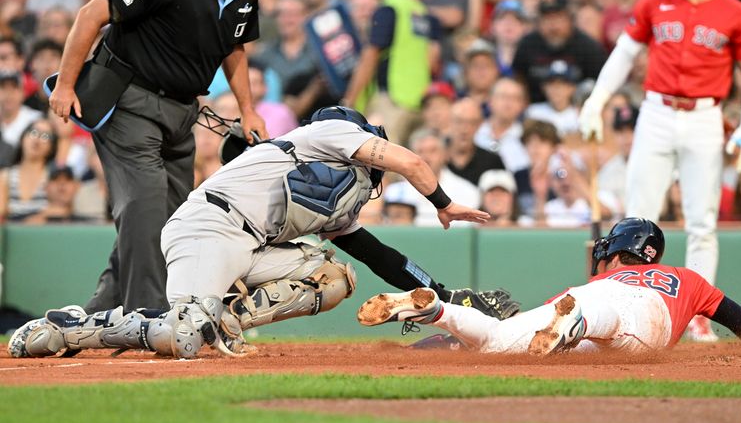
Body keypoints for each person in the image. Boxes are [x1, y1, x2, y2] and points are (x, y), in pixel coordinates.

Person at [8, 107, 520, 360]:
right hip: (209, 226)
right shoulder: (328, 133)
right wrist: (444, 204)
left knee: (333, 278)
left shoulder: (335, 196)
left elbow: (377, 253)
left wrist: (445, 296)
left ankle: (228, 323)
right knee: (184, 339)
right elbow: (410, 160)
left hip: (254, 246)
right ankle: (78, 327)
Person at [48, 0, 267, 314]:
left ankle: (101, 310)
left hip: (181, 111)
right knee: (145, 208)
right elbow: (91, 14)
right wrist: (63, 83)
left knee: (173, 217)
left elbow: (234, 45)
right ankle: (148, 315)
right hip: (129, 100)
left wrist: (248, 109)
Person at [578, 0, 741, 342]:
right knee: (636, 216)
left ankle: (697, 314)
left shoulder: (735, 12)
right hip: (657, 111)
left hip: (704, 115)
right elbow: (625, 52)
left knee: (702, 221)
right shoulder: (654, 2)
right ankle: (631, 300)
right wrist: (597, 99)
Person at [357, 218, 741, 354]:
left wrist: (419, 347)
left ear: (618, 249)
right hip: (638, 314)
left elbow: (539, 327)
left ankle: (437, 311)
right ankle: (580, 323)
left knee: (498, 339)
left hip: (584, 302)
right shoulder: (686, 278)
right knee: (615, 326)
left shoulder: (602, 277)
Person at [342, 0, 437, 146]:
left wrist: (349, 100)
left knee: (384, 165)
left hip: (392, 99)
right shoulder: (418, 9)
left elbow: (370, 56)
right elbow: (431, 57)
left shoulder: (388, 7)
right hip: (419, 98)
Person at [447, 97, 505, 186]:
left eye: (471, 123)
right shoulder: (435, 157)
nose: (464, 129)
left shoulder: (492, 162)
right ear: (450, 122)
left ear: (479, 125)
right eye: (459, 121)